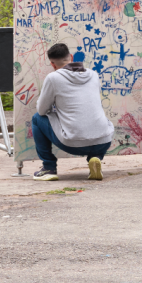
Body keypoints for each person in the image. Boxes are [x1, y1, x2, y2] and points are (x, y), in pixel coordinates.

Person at [31, 43, 114, 182]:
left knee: (36, 118)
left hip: (73, 144)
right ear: (71, 57)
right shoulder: (93, 75)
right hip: (103, 142)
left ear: (52, 64)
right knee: (101, 120)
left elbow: (42, 110)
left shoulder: (53, 78)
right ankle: (95, 158)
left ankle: (48, 168)